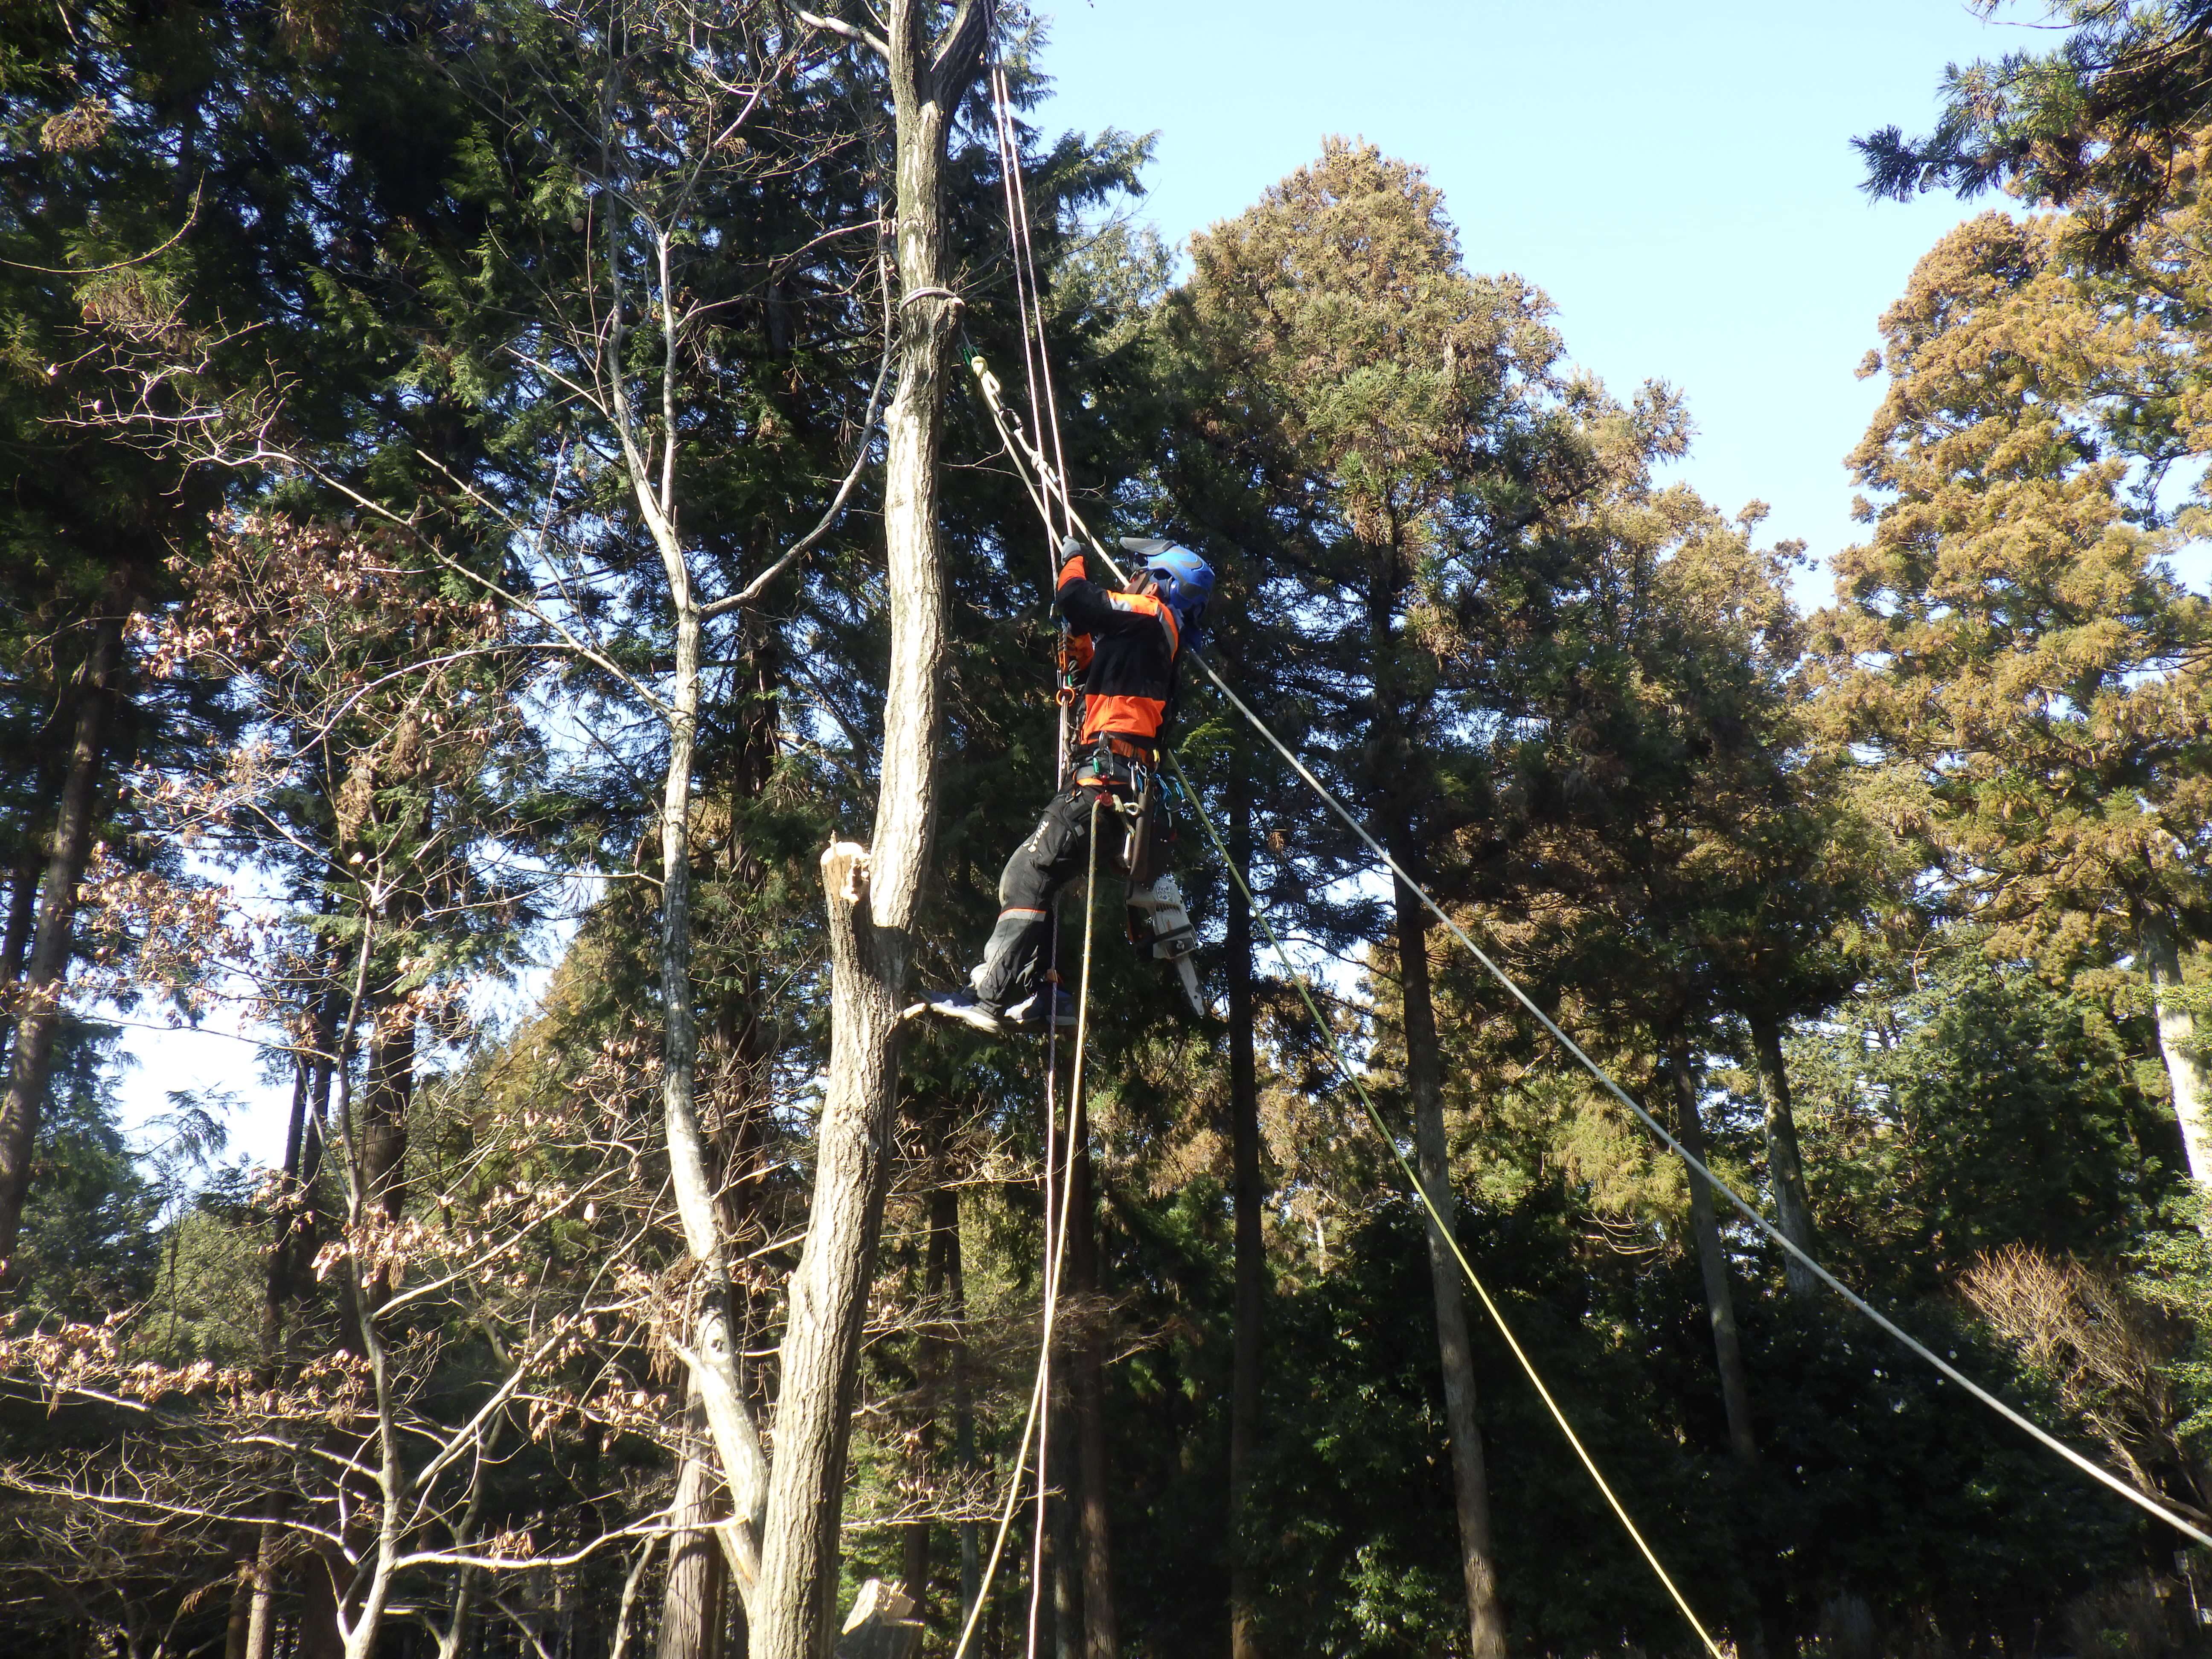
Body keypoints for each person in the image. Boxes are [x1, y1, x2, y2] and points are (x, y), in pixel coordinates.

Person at [922, 536, 1214, 1033]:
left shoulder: (1150, 614)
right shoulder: (1149, 638)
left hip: (1103, 781)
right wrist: (1078, 637)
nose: (1130, 579)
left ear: (1161, 581)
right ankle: (1050, 992)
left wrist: (1071, 559)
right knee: (1048, 879)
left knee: (1026, 875)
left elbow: (1076, 598)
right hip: (1117, 783)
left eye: (1139, 571)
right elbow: (1087, 668)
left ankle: (986, 997)